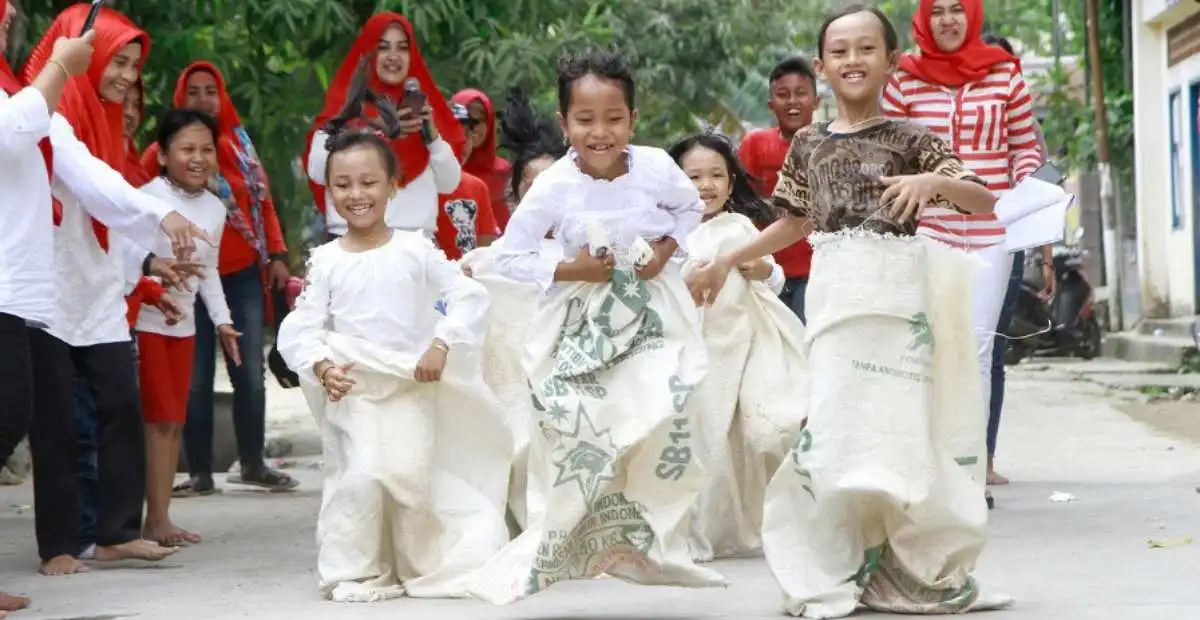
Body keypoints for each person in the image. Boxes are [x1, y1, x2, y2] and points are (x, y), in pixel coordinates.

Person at [686, 5, 1007, 616]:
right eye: (840, 51)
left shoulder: (914, 140)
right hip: (835, 309)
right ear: (821, 67)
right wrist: (729, 260)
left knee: (900, 435)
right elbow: (795, 221)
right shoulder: (808, 143)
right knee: (834, 433)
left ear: (892, 61)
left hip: (898, 313)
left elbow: (984, 202)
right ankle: (837, 561)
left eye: (866, 49)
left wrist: (931, 186)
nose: (852, 60)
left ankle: (905, 565)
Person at [468, 50, 726, 605]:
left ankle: (655, 539)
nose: (600, 131)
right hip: (580, 318)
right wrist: (573, 269)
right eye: (585, 120)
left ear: (633, 119)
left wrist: (663, 250)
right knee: (581, 429)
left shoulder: (658, 166)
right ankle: (575, 536)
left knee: (660, 412)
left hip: (651, 309)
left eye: (613, 118)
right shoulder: (554, 185)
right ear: (565, 125)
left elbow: (688, 210)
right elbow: (512, 255)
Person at [277, 115, 510, 602]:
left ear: (394, 188)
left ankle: (418, 564)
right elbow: (302, 325)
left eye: (368, 182)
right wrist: (321, 366)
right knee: (360, 474)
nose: (355, 193)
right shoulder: (327, 261)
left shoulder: (415, 250)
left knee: (407, 477)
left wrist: (441, 344)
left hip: (409, 385)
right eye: (342, 184)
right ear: (329, 191)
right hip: (353, 384)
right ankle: (355, 569)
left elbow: (467, 296)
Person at [20, 3, 212, 576]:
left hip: (96, 287)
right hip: (47, 287)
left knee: (119, 406)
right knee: (57, 424)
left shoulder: (103, 120)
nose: (127, 74)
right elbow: (89, 182)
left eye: (133, 63)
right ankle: (59, 543)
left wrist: (150, 257)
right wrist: (162, 215)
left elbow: (104, 209)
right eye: (118, 60)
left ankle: (113, 533)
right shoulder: (47, 112)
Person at [881, 0, 1046, 497]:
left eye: (958, 9)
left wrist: (1021, 192)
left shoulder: (1005, 77)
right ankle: (923, 466)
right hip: (928, 230)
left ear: (972, 16)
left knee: (975, 350)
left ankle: (968, 471)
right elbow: (891, 148)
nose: (948, 20)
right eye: (938, 11)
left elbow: (1026, 147)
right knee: (925, 346)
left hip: (992, 232)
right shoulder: (904, 80)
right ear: (924, 19)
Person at [142, 60, 296, 495]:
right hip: (181, 281)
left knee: (247, 371)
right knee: (193, 376)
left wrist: (279, 253)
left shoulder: (240, 146)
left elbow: (262, 205)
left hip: (243, 274)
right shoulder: (163, 153)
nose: (203, 99)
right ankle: (201, 473)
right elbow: (132, 206)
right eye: (194, 91)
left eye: (211, 90)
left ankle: (253, 464)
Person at [668, 132, 807, 562]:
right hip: (698, 353)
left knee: (763, 433)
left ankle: (772, 515)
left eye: (716, 176)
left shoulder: (741, 228)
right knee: (706, 439)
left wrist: (763, 267)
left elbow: (776, 278)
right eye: (693, 177)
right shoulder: (669, 236)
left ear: (731, 184)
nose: (705, 185)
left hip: (749, 344)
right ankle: (705, 527)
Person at [0, 0, 95, 609]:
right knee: (8, 414)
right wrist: (60, 67)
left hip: (13, 282)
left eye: (8, 15)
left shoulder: (12, 85)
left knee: (10, 414)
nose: (5, 22)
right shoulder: (26, 92)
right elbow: (10, 135)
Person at [457, 90, 565, 533]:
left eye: (552, 188)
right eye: (529, 188)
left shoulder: (591, 253)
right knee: (516, 441)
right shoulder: (493, 260)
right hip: (512, 379)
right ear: (516, 198)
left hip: (569, 376)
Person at [137, 108, 242, 546]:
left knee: (173, 423)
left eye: (205, 149)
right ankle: (151, 520)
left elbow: (208, 271)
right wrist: (156, 281)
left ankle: (159, 519)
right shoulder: (144, 199)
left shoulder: (216, 208)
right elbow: (125, 262)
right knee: (158, 422)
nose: (198, 158)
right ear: (162, 156)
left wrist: (223, 322)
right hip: (145, 323)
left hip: (185, 328)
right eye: (187, 149)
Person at [303, 12, 464, 242]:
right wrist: (382, 133)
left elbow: (450, 183)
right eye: (384, 47)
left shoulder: (424, 111)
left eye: (402, 48)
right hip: (353, 243)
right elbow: (318, 171)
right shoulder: (344, 107)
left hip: (415, 245)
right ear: (369, 53)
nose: (393, 57)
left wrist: (432, 138)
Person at [978, 32, 1054, 489]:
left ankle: (983, 455)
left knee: (989, 352)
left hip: (1006, 244)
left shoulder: (1023, 122)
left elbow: (1040, 193)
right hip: (950, 242)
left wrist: (1046, 259)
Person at [737, 56, 819, 321]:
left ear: (816, 101)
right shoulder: (755, 144)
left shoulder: (829, 146)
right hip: (765, 268)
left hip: (815, 271)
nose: (793, 101)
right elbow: (739, 201)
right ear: (771, 104)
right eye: (783, 95)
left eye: (801, 93)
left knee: (806, 345)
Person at [435, 102, 499, 260]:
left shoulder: (477, 187)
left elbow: (486, 245)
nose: (462, 144)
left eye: (468, 136)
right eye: (452, 136)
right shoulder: (418, 187)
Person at [453, 89, 513, 229]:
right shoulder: (441, 172)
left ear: (489, 123)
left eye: (476, 122)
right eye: (463, 122)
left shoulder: (505, 173)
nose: (470, 129)